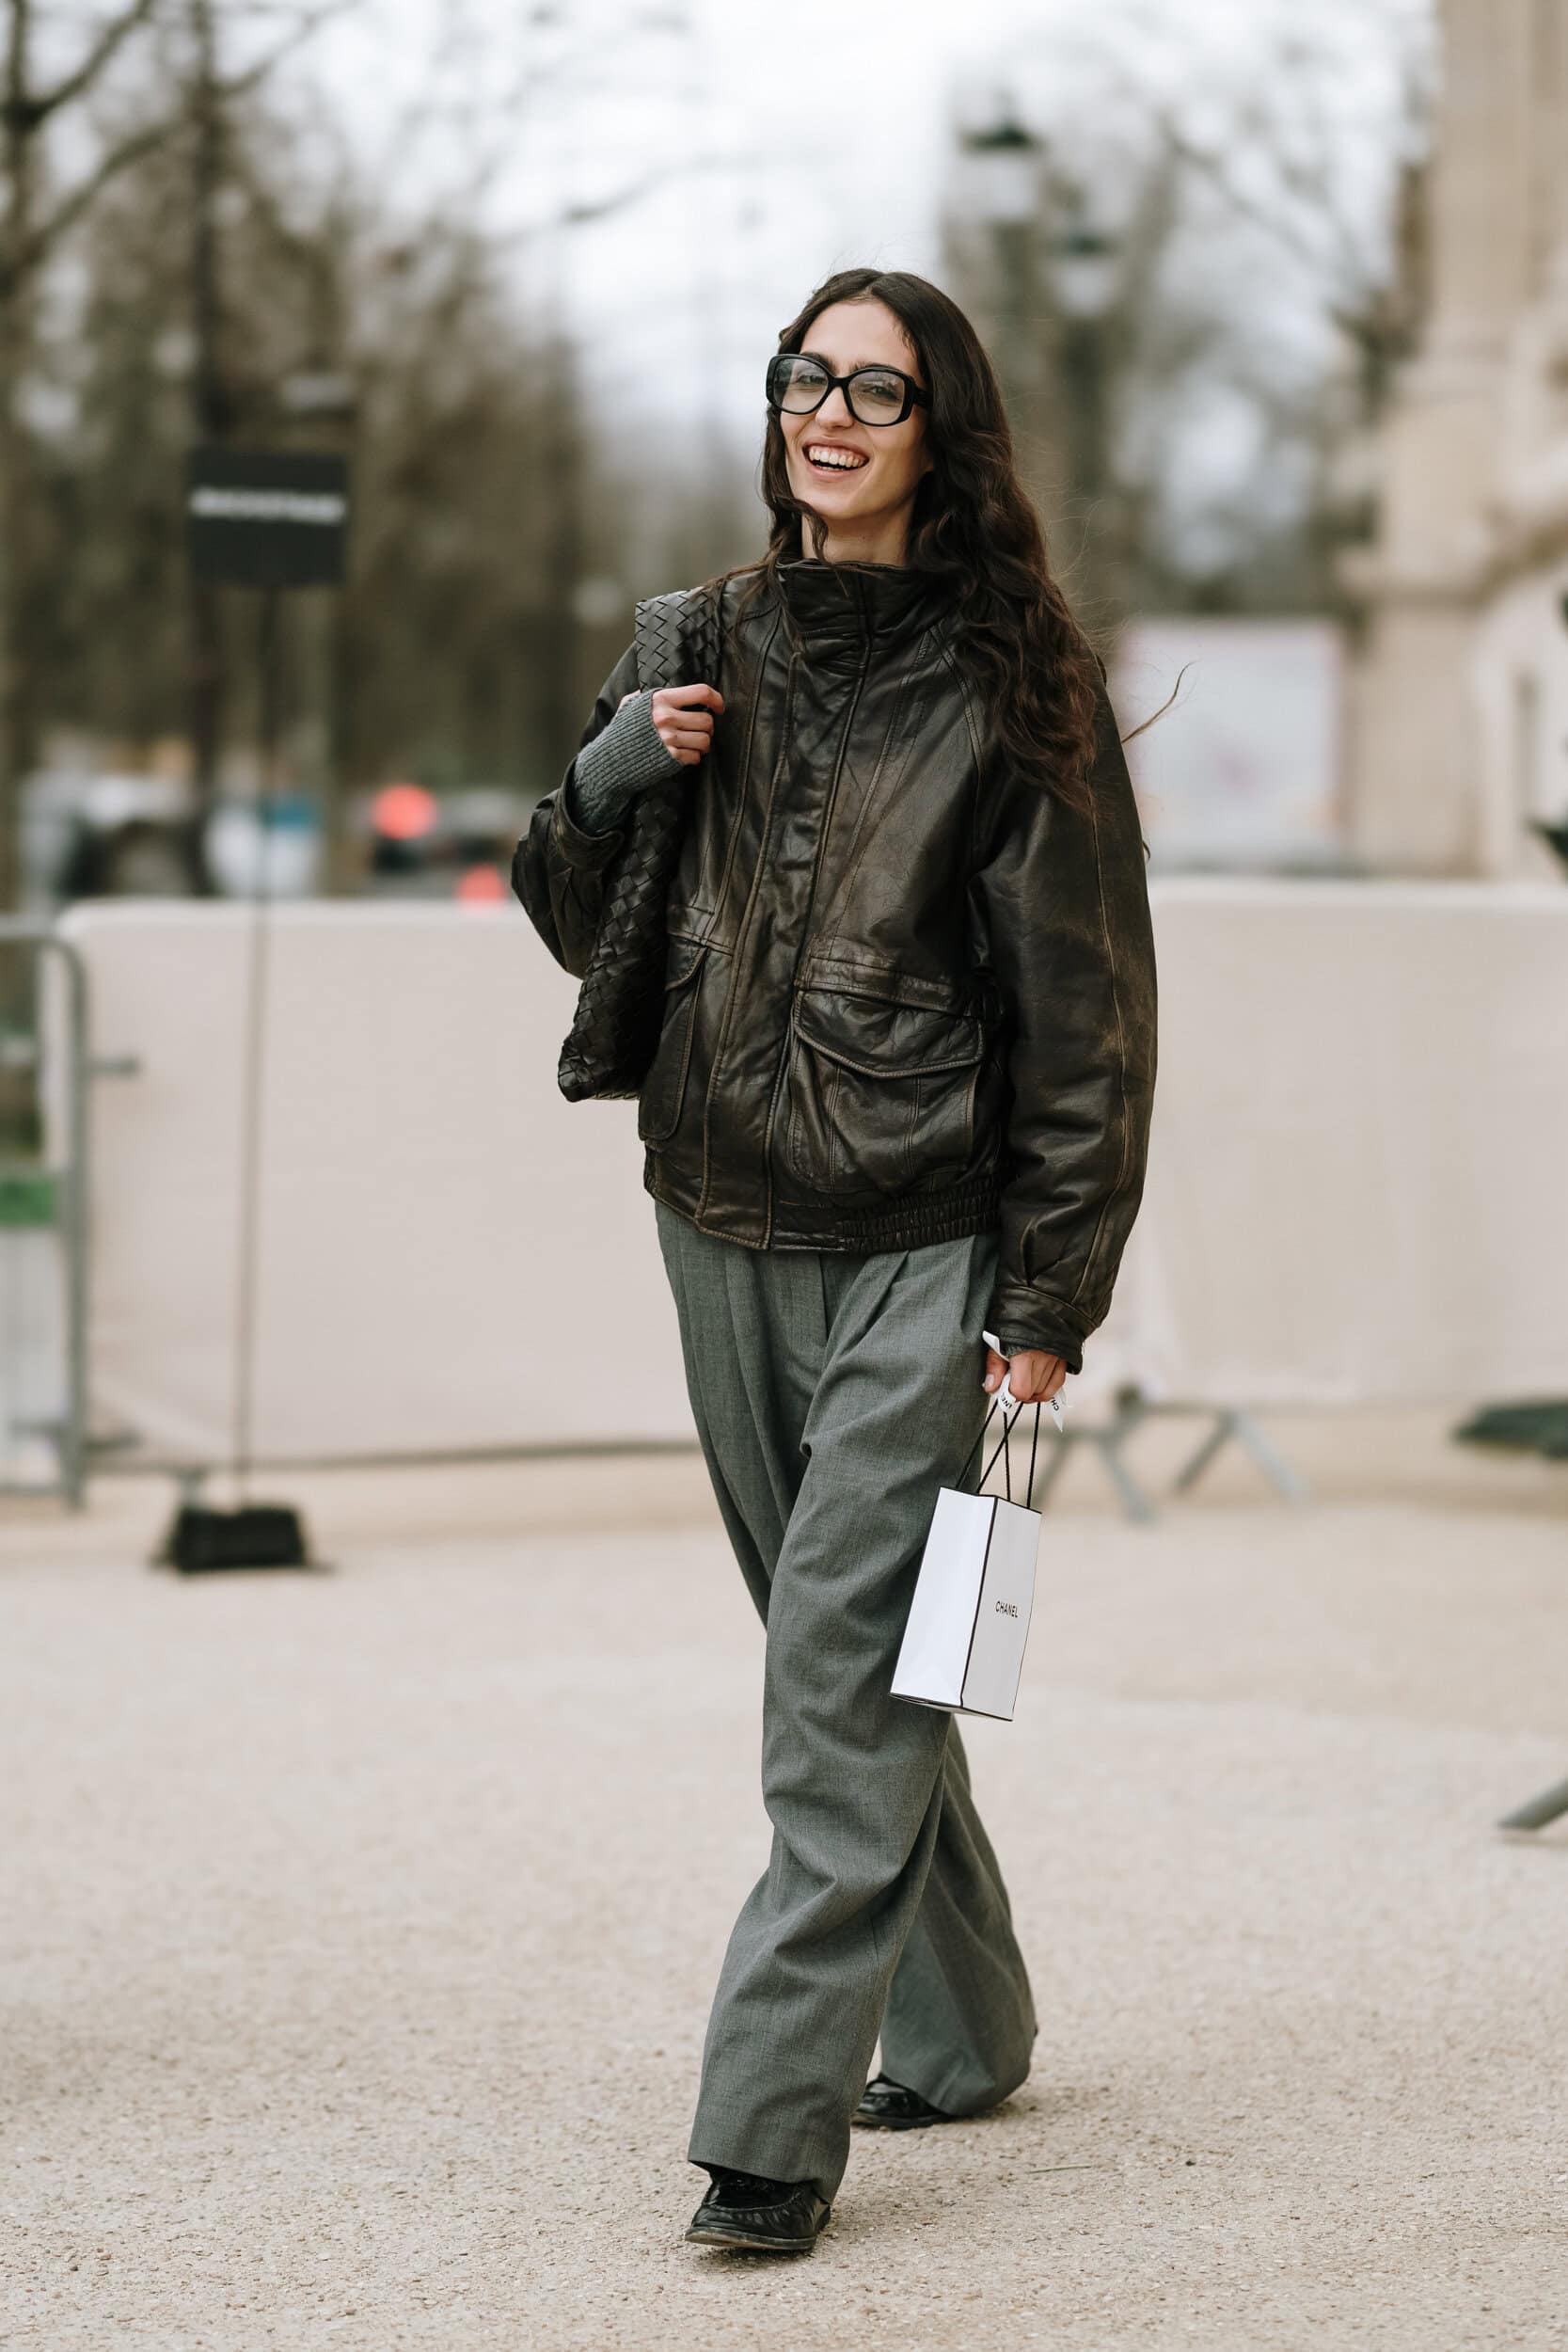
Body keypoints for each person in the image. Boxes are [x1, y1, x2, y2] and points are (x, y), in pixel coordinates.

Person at [513, 265, 1157, 2255]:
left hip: (921, 1235)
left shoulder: (1013, 670)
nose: (831, 413)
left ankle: (770, 2123)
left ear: (935, 431)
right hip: (710, 1213)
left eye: (876, 388)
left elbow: (1088, 1007)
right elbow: (565, 909)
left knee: (829, 1688)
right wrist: (621, 767)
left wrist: (1049, 1292)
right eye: (807, 376)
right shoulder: (689, 638)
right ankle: (968, 2031)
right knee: (864, 1662)